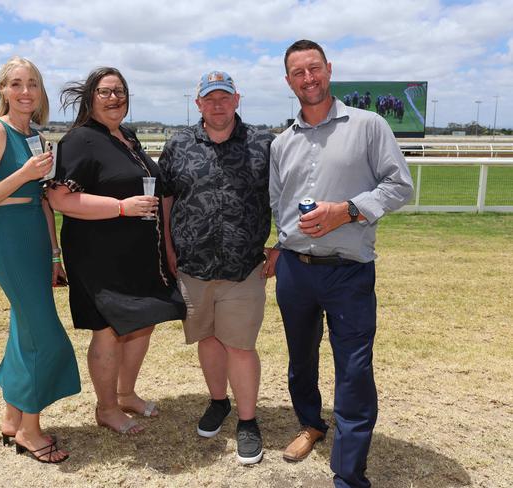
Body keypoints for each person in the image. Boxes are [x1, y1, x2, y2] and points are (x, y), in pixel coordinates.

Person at [269, 40, 413, 487]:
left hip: (349, 269)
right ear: (288, 80)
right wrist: (280, 243)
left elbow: (399, 186)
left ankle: (349, 474)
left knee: (353, 369)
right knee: (300, 360)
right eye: (299, 72)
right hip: (294, 269)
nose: (308, 78)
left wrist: (346, 210)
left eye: (315, 68)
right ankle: (311, 424)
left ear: (329, 70)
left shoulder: (369, 126)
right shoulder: (281, 142)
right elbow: (279, 202)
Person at [47, 67, 186, 435]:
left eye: (120, 91)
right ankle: (106, 408)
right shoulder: (79, 140)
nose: (114, 98)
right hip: (99, 254)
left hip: (139, 252)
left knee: (144, 320)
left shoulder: (126, 135)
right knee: (108, 328)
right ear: (90, 97)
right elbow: (61, 198)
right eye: (105, 92)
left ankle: (125, 394)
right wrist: (121, 207)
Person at [0, 56, 80, 463]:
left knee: (24, 330)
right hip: (9, 237)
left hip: (36, 237)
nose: (25, 91)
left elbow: (45, 201)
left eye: (32, 83)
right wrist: (24, 173)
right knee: (44, 337)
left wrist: (54, 254)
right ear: (3, 91)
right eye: (16, 83)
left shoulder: (39, 138)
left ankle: (13, 417)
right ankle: (30, 432)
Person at [159, 71, 275, 465]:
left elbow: (287, 194)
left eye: (225, 97)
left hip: (244, 269)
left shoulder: (263, 143)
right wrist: (169, 249)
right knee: (207, 340)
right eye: (210, 99)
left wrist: (283, 245)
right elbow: (167, 199)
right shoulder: (178, 144)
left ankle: (247, 421)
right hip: (193, 267)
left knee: (240, 346)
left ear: (237, 99)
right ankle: (218, 402)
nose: (218, 105)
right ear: (199, 105)